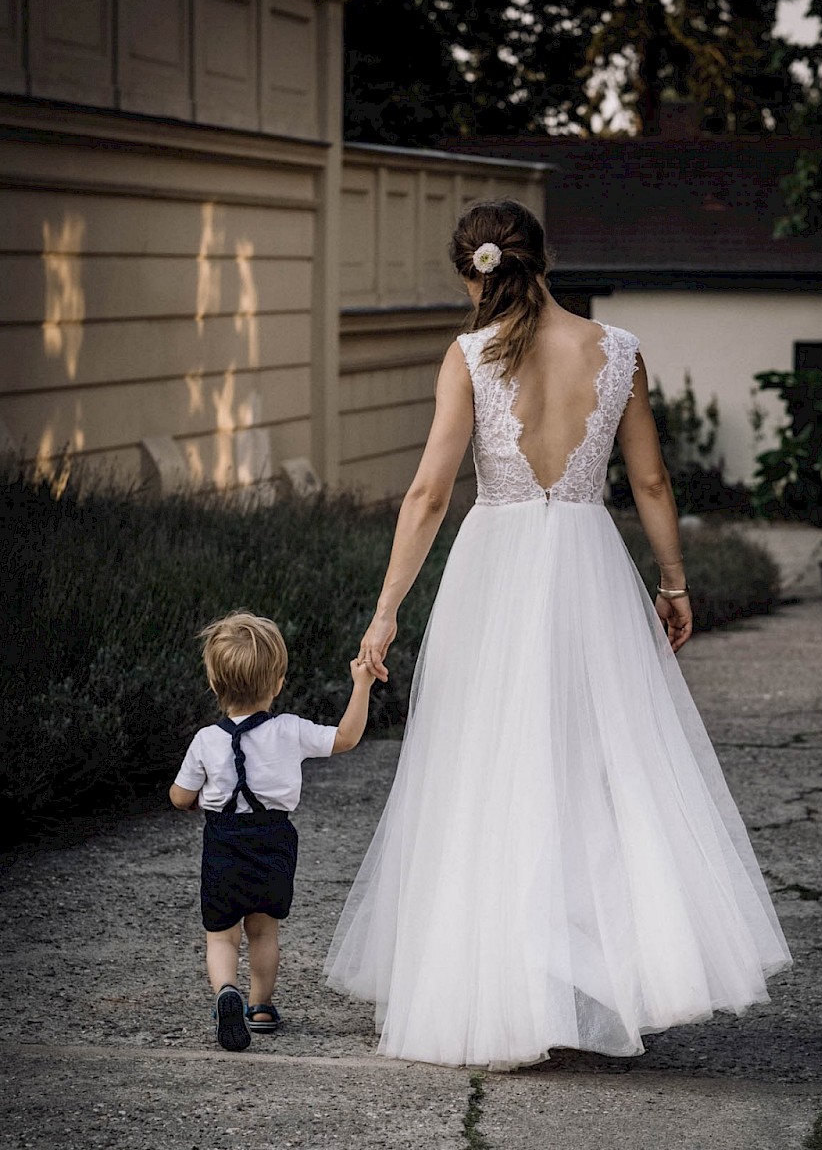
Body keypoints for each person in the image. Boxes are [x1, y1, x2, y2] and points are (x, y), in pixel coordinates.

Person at [323, 198, 793, 1072]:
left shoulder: (467, 356)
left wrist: (386, 610)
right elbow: (650, 481)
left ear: (474, 273)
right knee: (595, 766)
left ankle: (499, 990)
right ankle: (597, 978)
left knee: (485, 767)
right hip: (586, 565)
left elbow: (429, 495)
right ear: (545, 259)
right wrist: (674, 582)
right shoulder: (617, 351)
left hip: (494, 569)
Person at [170, 611, 377, 1052]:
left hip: (223, 843)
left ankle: (226, 991)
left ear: (214, 684)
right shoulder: (290, 730)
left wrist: (194, 797)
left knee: (222, 934)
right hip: (273, 843)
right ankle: (260, 1007)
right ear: (278, 682)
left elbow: (178, 796)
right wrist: (361, 685)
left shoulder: (206, 739)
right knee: (263, 931)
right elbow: (345, 738)